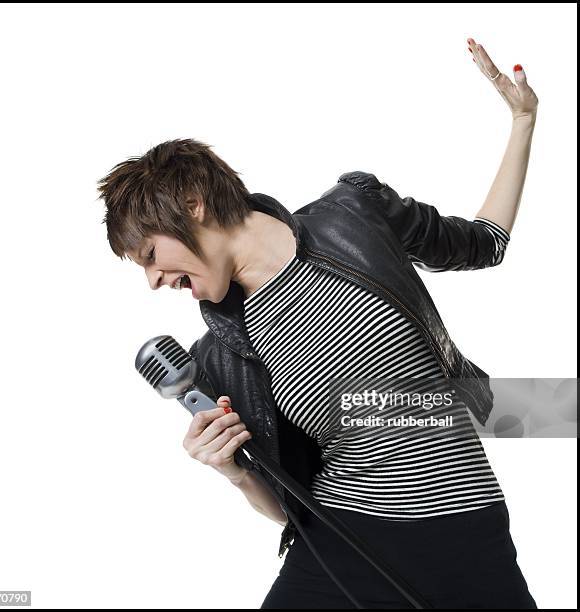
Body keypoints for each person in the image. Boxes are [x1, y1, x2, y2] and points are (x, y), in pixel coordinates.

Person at [96, 38, 539, 609]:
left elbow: (487, 244)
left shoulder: (354, 213)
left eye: (151, 255)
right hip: (340, 543)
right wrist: (234, 471)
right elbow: (286, 507)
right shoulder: (217, 357)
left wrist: (523, 120)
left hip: (464, 527)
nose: (153, 281)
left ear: (192, 200)